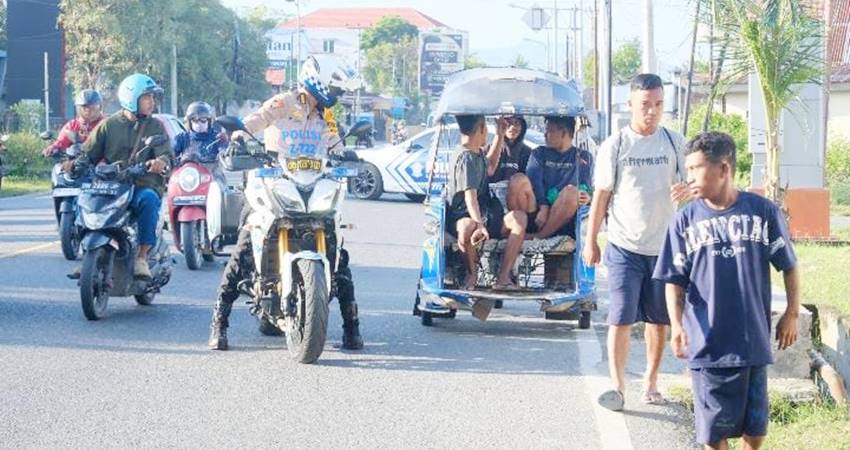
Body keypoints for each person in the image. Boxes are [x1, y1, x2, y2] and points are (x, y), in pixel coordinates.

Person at [653, 132, 799, 450]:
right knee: (713, 436)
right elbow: (673, 280)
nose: (689, 177)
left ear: (723, 169)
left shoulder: (762, 211)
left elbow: (788, 264)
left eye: (696, 168)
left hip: (753, 341)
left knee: (755, 430)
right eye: (686, 169)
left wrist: (791, 313)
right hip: (707, 345)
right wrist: (677, 326)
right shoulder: (683, 221)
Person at [208, 54, 364, 351]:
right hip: (272, 180)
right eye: (335, 89)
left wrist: (347, 153)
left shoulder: (326, 116)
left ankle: (351, 326)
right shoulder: (284, 102)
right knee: (243, 247)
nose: (337, 95)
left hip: (310, 183)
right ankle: (219, 321)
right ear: (317, 84)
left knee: (338, 251)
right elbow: (257, 119)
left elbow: (335, 142)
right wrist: (240, 136)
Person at [583, 73, 692, 411]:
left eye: (658, 105)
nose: (652, 111)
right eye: (645, 105)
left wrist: (690, 190)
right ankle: (617, 385)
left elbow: (698, 184)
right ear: (630, 104)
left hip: (664, 249)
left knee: (658, 321)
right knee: (621, 316)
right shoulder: (615, 146)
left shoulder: (675, 143)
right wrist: (592, 240)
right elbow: (601, 196)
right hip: (623, 246)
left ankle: (651, 380)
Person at [73, 74, 172, 279]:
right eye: (147, 98)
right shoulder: (108, 125)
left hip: (142, 184)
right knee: (84, 200)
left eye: (152, 98)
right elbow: (89, 153)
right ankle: (87, 254)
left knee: (149, 200)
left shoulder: (155, 126)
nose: (152, 102)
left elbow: (165, 153)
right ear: (132, 98)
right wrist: (75, 165)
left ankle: (141, 257)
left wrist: (160, 163)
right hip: (113, 186)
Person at [446, 114, 527, 291]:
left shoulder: (478, 153)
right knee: (468, 227)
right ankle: (471, 275)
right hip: (466, 215)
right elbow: (470, 197)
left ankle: (504, 277)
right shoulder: (465, 157)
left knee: (519, 219)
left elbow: (490, 166)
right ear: (482, 129)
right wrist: (479, 225)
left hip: (488, 213)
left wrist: (499, 135)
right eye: (487, 130)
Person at [525, 115, 593, 239]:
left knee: (571, 192)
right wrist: (543, 206)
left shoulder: (583, 157)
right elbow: (534, 183)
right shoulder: (538, 153)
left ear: (563, 133)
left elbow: (585, 187)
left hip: (566, 213)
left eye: (549, 131)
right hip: (539, 212)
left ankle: (541, 236)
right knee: (519, 180)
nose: (545, 135)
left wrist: (586, 197)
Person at [485, 115, 536, 217]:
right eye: (509, 123)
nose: (512, 127)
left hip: (517, 203)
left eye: (517, 123)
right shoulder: (489, 150)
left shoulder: (529, 153)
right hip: (493, 202)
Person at [42, 89, 104, 157]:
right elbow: (61, 141)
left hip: (101, 163)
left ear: (99, 107)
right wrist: (53, 148)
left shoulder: (105, 124)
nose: (88, 111)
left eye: (92, 107)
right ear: (78, 108)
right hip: (76, 162)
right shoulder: (72, 125)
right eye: (84, 108)